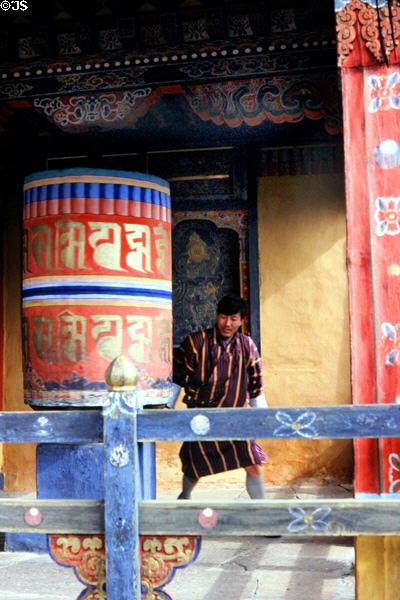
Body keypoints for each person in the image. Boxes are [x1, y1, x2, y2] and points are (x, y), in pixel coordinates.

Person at [173, 294, 268, 500]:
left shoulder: (247, 345)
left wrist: (263, 417)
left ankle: (263, 511)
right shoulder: (197, 342)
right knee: (194, 465)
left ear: (241, 320)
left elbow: (255, 385)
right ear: (217, 317)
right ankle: (185, 497)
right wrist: (167, 408)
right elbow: (178, 376)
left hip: (236, 418)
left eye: (233, 318)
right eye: (223, 317)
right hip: (202, 418)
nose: (228, 324)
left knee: (252, 462)